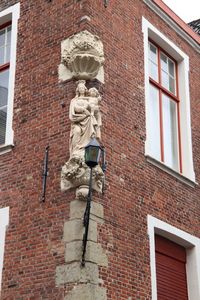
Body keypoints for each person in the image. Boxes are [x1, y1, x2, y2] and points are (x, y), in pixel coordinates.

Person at [69, 81, 102, 158]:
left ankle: (86, 149)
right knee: (77, 131)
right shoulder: (74, 100)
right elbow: (73, 110)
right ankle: (76, 150)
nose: (81, 89)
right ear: (78, 90)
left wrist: (94, 108)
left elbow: (94, 108)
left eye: (83, 88)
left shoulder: (89, 99)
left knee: (89, 135)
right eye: (80, 88)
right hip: (78, 120)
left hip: (88, 120)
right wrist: (83, 110)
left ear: (85, 89)